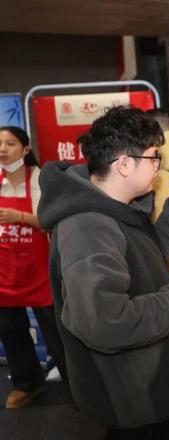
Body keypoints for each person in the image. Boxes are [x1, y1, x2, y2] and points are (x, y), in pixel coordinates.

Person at [37, 107, 169, 439]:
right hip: (133, 395)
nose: (158, 166)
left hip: (146, 380)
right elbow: (107, 322)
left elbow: (144, 263)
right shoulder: (87, 225)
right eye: (154, 156)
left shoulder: (116, 207)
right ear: (124, 164)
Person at [0, 126, 67, 409]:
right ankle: (27, 384)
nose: (3, 149)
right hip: (5, 271)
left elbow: (50, 219)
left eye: (10, 143)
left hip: (38, 270)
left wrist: (19, 216)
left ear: (26, 149)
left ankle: (79, 387)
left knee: (56, 332)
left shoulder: (39, 178)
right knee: (11, 330)